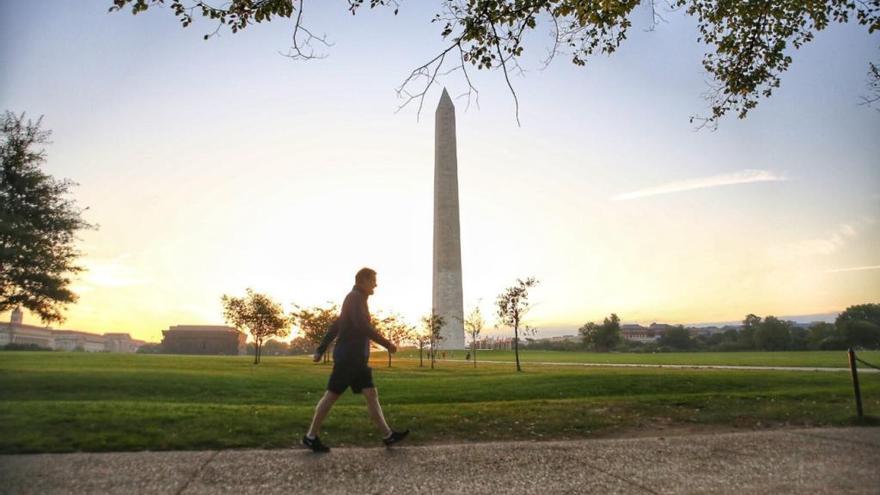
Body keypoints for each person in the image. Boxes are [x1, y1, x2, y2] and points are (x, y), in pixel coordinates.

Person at [302, 267, 409, 453]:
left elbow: (336, 325)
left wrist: (321, 349)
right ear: (363, 281)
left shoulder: (356, 299)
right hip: (348, 359)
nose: (376, 284)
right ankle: (310, 436)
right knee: (331, 396)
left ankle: (387, 435)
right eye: (373, 280)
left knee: (371, 394)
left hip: (356, 360)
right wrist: (387, 344)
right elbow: (361, 326)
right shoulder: (355, 298)